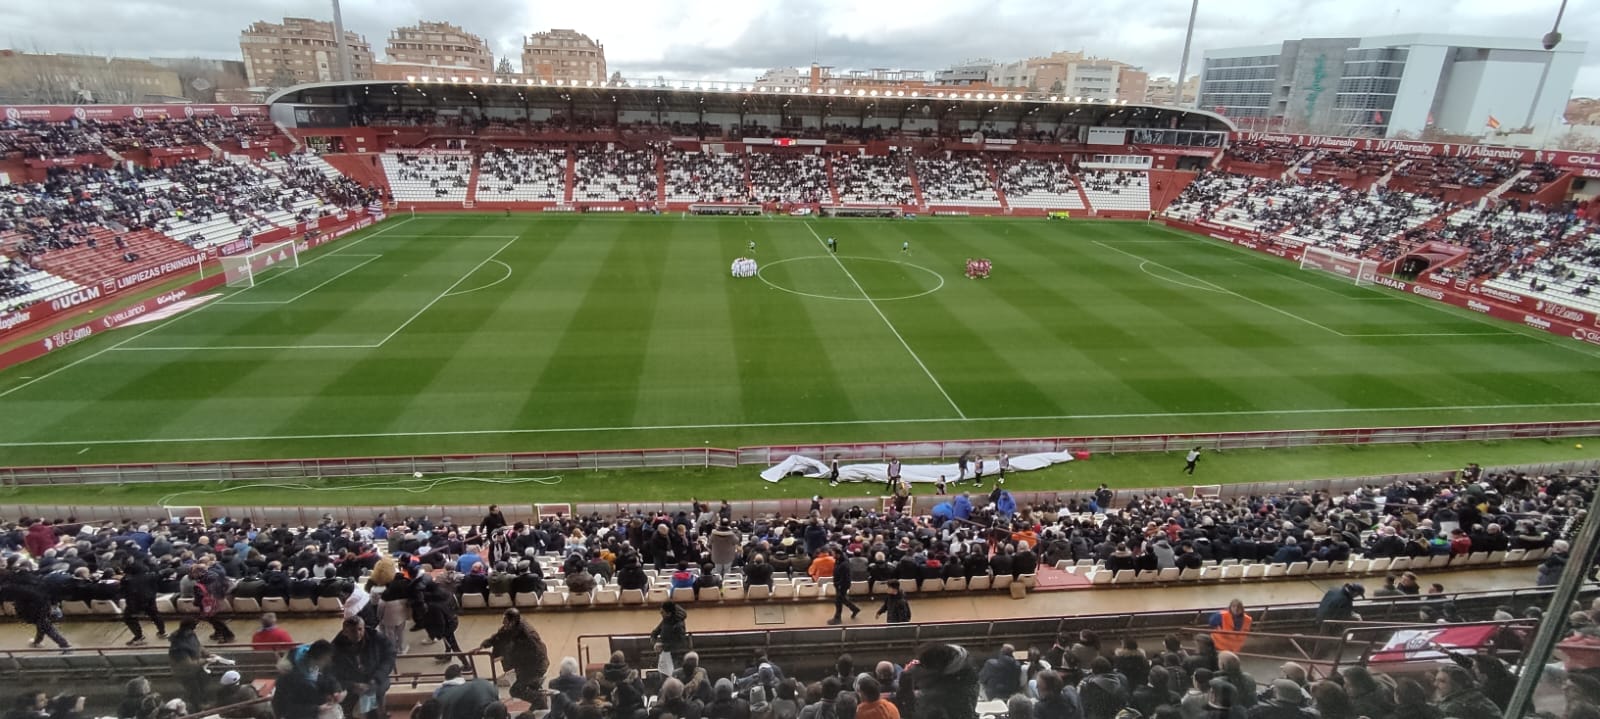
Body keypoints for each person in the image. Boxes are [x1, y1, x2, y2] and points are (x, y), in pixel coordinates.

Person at [481, 609, 550, 709]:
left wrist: (511, 660)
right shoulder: (511, 627)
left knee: (516, 690)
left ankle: (539, 699)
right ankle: (538, 704)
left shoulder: (528, 636)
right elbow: (500, 635)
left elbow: (535, 654)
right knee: (527, 687)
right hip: (525, 664)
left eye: (505, 620)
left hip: (535, 665)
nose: (503, 622)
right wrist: (486, 644)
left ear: (512, 622)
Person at [331, 616, 396, 719]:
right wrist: (352, 685)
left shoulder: (376, 637)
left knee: (374, 696)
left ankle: (379, 714)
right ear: (345, 632)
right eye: (352, 631)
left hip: (375, 679)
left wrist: (376, 678)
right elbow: (332, 673)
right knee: (352, 709)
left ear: (364, 628)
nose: (357, 633)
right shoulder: (335, 647)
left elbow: (390, 655)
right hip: (351, 685)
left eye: (360, 629)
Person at [271, 641, 342, 719]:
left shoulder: (315, 664)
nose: (329, 662)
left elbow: (328, 677)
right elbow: (286, 708)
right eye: (327, 659)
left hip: (314, 710)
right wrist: (317, 709)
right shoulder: (289, 676)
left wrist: (335, 690)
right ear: (320, 658)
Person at [119, 561, 166, 646]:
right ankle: (162, 632)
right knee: (155, 616)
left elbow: (123, 591)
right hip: (150, 599)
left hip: (134, 602)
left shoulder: (126, 579)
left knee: (129, 618)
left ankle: (139, 636)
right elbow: (160, 576)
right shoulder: (151, 576)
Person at [167, 619, 209, 711]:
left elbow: (198, 645)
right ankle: (198, 708)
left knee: (201, 686)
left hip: (196, 669)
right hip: (185, 673)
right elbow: (188, 664)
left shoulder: (191, 635)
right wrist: (206, 660)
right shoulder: (178, 647)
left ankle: (203, 703)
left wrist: (206, 653)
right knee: (194, 691)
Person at [1433, 666, 1500, 719]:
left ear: (1457, 685)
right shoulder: (1479, 697)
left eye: (1442, 681)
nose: (1435, 684)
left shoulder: (1451, 709)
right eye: (1436, 680)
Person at [653, 601, 690, 672]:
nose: (660, 613)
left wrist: (663, 646)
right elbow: (656, 631)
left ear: (669, 614)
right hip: (665, 654)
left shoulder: (678, 626)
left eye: (662, 612)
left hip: (675, 657)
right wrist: (654, 641)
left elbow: (680, 644)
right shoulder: (666, 619)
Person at [828, 549, 863, 626]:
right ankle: (854, 609)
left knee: (838, 601)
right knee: (841, 599)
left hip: (842, 585)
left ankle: (837, 618)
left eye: (833, 553)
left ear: (838, 554)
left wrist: (839, 585)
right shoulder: (839, 560)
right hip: (839, 584)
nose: (832, 555)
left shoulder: (844, 564)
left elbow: (845, 577)